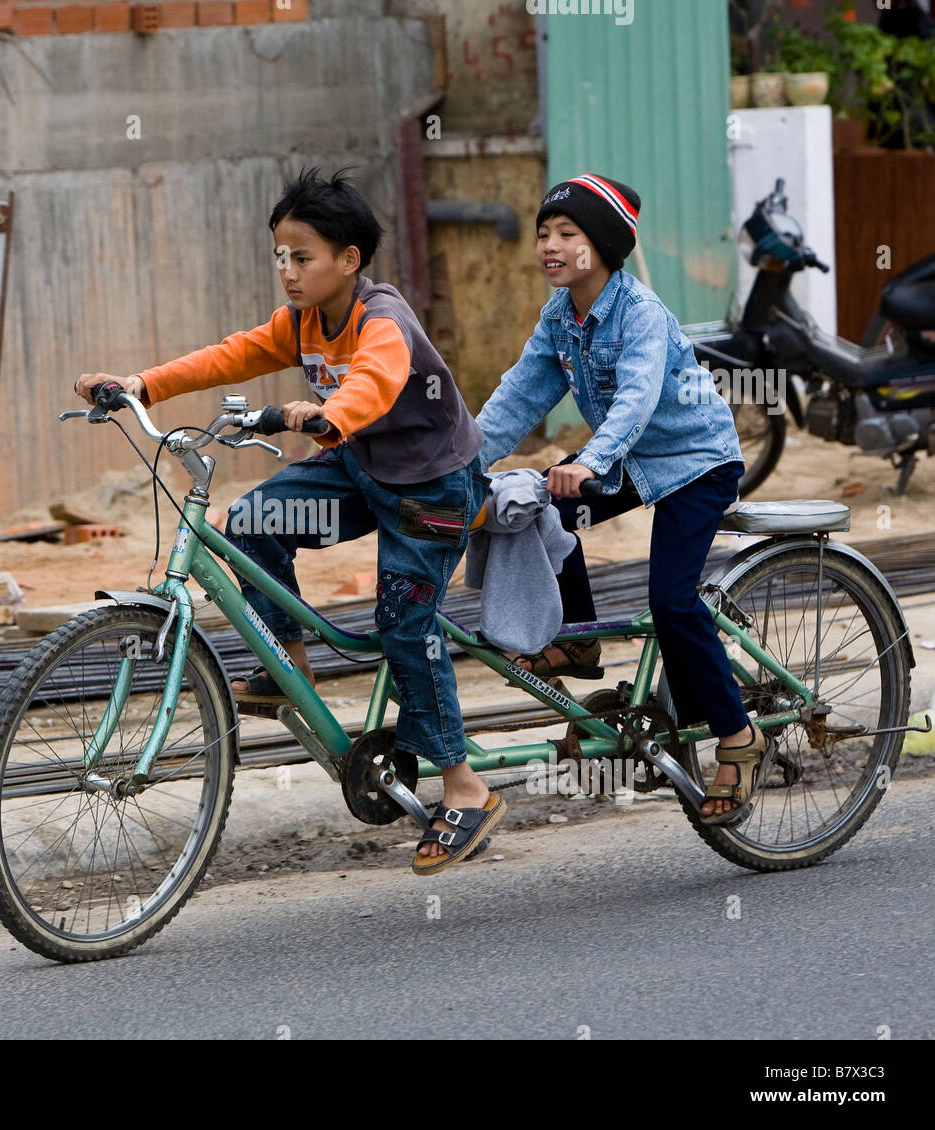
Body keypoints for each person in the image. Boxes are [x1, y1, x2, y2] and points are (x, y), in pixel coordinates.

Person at [76, 168, 503, 873]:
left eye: (302, 257)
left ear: (349, 260)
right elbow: (233, 353)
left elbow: (376, 378)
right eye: (280, 256)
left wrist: (333, 415)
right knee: (250, 524)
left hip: (430, 488)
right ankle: (288, 662)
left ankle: (465, 788)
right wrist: (140, 384)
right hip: (362, 470)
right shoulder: (302, 322)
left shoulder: (383, 318)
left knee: (405, 626)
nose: (288, 271)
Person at [476, 174, 762, 825]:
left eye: (566, 234)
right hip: (630, 460)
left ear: (602, 245)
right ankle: (575, 638)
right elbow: (518, 397)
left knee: (671, 601)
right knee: (540, 510)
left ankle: (738, 739)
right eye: (544, 233)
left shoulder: (641, 314)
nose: (549, 244)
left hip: (696, 463)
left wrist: (591, 461)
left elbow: (636, 399)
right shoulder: (559, 318)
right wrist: (459, 462)